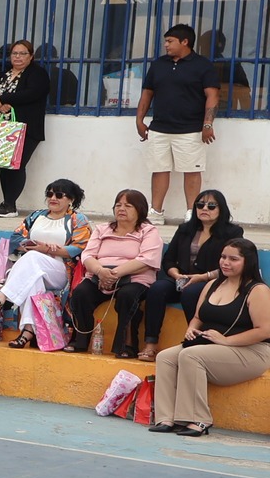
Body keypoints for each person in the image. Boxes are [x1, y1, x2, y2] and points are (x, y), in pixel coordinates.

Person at [151, 239, 270, 437]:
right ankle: (166, 418)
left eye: (233, 259)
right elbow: (198, 317)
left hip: (253, 351)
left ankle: (199, 419)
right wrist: (191, 329)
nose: (225, 262)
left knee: (191, 355)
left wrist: (226, 340)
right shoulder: (213, 285)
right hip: (211, 346)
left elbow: (264, 330)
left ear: (247, 262)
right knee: (165, 357)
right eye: (223, 257)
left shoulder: (257, 290)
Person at [135, 22, 221, 225]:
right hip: (159, 128)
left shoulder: (202, 66)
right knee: (159, 169)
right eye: (166, 41)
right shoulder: (158, 65)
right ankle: (156, 211)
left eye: (170, 41)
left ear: (185, 42)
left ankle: (192, 212)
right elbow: (147, 93)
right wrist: (139, 120)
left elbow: (213, 95)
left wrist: (207, 124)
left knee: (191, 170)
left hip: (191, 130)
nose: (166, 45)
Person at [0, 179, 92, 349]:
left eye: (59, 195)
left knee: (33, 258)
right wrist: (30, 244)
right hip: (35, 269)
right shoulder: (36, 216)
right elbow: (16, 237)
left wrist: (48, 250)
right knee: (33, 278)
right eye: (49, 194)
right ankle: (28, 331)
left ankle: (2, 297)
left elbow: (79, 247)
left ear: (71, 199)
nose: (53, 198)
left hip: (60, 270)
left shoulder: (78, 219)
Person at [67, 189, 162, 357]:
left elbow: (147, 259)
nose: (121, 209)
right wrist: (100, 271)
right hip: (99, 276)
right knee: (81, 293)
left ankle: (126, 346)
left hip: (134, 278)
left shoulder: (148, 231)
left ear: (140, 209)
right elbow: (87, 255)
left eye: (128, 205)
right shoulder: (102, 229)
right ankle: (79, 341)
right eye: (118, 205)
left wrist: (114, 274)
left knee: (127, 296)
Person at [148, 190, 242, 358]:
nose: (205, 208)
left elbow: (230, 265)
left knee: (190, 293)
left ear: (221, 209)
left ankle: (198, 341)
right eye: (200, 204)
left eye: (211, 205)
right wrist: (176, 274)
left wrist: (203, 276)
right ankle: (151, 342)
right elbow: (169, 260)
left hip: (212, 280)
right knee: (157, 288)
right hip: (181, 279)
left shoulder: (232, 233)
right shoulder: (185, 229)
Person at [0, 39, 51, 215]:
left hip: (26, 128)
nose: (18, 57)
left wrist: (5, 99)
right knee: (5, 165)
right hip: (1, 128)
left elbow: (33, 93)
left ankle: (10, 204)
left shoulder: (38, 74)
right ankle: (7, 203)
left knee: (17, 165)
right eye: (14, 53)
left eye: (22, 53)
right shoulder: (3, 74)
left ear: (31, 56)